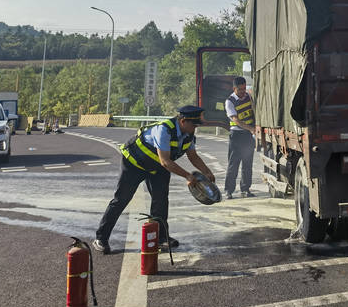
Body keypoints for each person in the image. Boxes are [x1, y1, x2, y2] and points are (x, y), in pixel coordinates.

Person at [92, 105, 215, 254]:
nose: (195, 128)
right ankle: (101, 238)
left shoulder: (189, 136)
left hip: (157, 168)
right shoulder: (164, 130)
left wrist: (207, 172)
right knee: (121, 199)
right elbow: (165, 161)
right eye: (193, 125)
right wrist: (188, 176)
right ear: (183, 121)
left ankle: (161, 238)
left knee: (161, 200)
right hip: (134, 164)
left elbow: (193, 156)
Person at [224, 76, 256, 199]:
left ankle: (245, 189)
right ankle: (229, 191)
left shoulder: (248, 96)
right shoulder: (230, 101)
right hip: (236, 136)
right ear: (234, 88)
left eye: (244, 89)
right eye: (240, 90)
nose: (243, 92)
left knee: (247, 164)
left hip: (247, 136)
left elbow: (253, 110)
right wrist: (251, 129)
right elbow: (236, 120)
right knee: (233, 164)